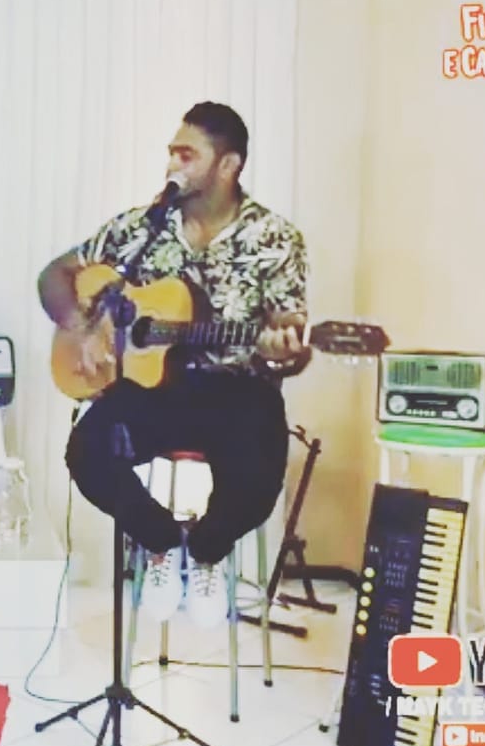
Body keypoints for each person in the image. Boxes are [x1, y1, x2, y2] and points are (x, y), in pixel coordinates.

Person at [37, 102, 311, 628]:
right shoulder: (143, 227)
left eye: (187, 155)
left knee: (259, 476)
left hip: (237, 390)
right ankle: (160, 545)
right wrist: (81, 327)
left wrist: (285, 350)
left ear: (228, 165)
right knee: (88, 450)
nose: (172, 165)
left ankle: (207, 552)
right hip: (154, 389)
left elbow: (288, 333)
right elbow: (54, 274)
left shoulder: (275, 238)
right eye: (171, 152)